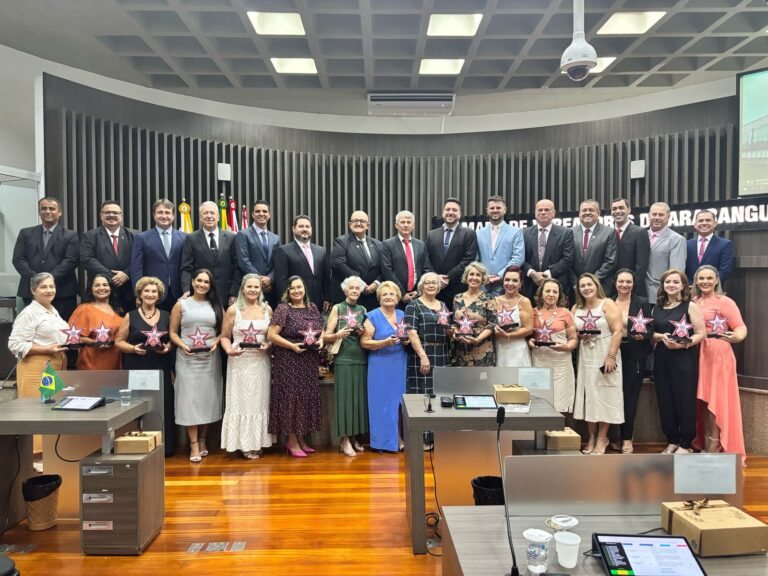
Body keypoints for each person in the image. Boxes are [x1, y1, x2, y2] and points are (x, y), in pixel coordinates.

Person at [8, 273, 68, 453]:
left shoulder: (52, 310)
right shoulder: (29, 313)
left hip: (53, 367)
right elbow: (15, 344)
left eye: (52, 286)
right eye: (43, 287)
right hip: (35, 367)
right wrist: (46, 349)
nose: (49, 290)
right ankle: (33, 459)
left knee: (50, 413)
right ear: (33, 291)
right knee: (35, 413)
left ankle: (47, 456)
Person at [115, 276, 176, 457]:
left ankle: (166, 446)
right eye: (146, 291)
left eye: (154, 292)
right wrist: (133, 349)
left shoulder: (167, 315)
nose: (150, 294)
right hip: (137, 367)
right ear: (140, 295)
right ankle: (138, 445)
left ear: (159, 296)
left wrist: (167, 348)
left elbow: (172, 340)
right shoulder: (130, 315)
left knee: (163, 404)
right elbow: (118, 342)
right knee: (139, 406)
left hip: (160, 366)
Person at [692, 265, 747, 463]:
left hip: (719, 354)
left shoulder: (726, 302)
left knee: (717, 399)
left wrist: (737, 337)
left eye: (709, 278)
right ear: (696, 281)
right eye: (701, 278)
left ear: (716, 280)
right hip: (699, 353)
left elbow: (740, 326)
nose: (705, 281)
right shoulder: (694, 301)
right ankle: (706, 438)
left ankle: (715, 441)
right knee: (704, 400)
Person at [169, 269, 223, 463]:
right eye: (199, 281)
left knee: (206, 399)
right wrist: (182, 345)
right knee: (189, 400)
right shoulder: (181, 305)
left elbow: (223, 332)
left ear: (211, 285)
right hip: (187, 358)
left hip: (209, 358)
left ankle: (202, 440)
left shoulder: (215, 305)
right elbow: (173, 332)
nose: (202, 285)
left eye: (206, 282)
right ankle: (193, 444)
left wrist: (217, 342)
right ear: (192, 282)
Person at [267, 276, 324, 457]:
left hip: (308, 361)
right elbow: (271, 335)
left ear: (304, 289)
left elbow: (321, 331)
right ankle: (291, 441)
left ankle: (300, 438)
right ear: (287, 292)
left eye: (299, 287)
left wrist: (321, 340)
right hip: (289, 360)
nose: (297, 291)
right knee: (290, 399)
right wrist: (292, 346)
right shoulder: (283, 309)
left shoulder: (312, 307)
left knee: (304, 398)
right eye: (292, 288)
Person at [651, 269, 705, 454]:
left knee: (684, 400)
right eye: (667, 282)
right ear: (663, 285)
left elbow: (700, 334)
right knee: (665, 400)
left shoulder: (690, 306)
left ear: (683, 285)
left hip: (684, 359)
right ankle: (672, 439)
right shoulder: (656, 308)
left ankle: (685, 443)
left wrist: (683, 346)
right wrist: (659, 336)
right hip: (662, 359)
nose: (671, 285)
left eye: (675, 282)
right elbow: (652, 334)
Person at [219, 274, 273, 459]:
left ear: (261, 290)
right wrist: (229, 351)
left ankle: (258, 441)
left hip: (260, 361)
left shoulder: (268, 309)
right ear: (242, 288)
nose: (252, 290)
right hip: (239, 361)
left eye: (256, 287)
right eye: (249, 286)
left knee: (259, 401)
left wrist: (269, 345)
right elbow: (225, 336)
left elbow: (271, 336)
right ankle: (242, 443)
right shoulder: (234, 310)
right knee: (242, 402)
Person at [572, 273, 624, 455]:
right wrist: (580, 336)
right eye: (582, 285)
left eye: (589, 284)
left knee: (605, 394)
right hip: (586, 354)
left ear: (596, 285)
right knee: (590, 395)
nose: (586, 288)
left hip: (605, 351)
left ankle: (603, 437)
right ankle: (591, 436)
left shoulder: (607, 303)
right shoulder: (576, 308)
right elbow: (573, 334)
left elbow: (618, 331)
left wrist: (610, 356)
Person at [12, 197, 79, 320]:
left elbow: (71, 260)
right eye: (44, 208)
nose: (48, 211)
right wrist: (36, 279)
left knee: (61, 332)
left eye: (52, 209)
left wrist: (48, 280)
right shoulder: (25, 233)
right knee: (31, 330)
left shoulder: (71, 235)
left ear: (59, 212)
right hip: (32, 292)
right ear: (39, 212)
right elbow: (18, 259)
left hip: (62, 293)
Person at [323, 276, 369, 457]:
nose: (355, 291)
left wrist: (362, 331)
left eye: (358, 288)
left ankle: (354, 437)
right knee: (345, 401)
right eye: (352, 288)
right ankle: (344, 440)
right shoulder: (338, 308)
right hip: (344, 359)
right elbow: (326, 336)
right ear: (345, 290)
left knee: (358, 401)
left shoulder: (363, 309)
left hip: (361, 358)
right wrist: (338, 334)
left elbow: (366, 333)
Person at [361, 281, 408, 453]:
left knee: (397, 404)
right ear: (379, 298)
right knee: (380, 404)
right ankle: (380, 443)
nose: (388, 297)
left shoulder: (403, 314)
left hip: (399, 363)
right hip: (379, 364)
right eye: (384, 294)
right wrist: (384, 342)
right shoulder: (372, 316)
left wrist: (407, 341)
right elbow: (365, 342)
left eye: (392, 294)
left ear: (397, 298)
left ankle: (398, 439)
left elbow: (408, 337)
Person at [612, 269, 653, 454]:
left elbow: (650, 330)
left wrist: (643, 336)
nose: (624, 285)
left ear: (633, 283)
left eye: (628, 282)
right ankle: (614, 436)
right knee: (612, 395)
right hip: (612, 352)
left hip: (634, 353)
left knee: (630, 396)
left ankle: (627, 438)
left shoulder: (642, 302)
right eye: (621, 281)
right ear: (615, 283)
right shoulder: (608, 302)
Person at [527, 279, 578, 414]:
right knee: (539, 400)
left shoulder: (566, 313)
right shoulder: (532, 312)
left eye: (555, 291)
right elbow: (528, 335)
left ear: (559, 295)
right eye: (548, 291)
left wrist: (566, 347)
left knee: (560, 402)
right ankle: (541, 434)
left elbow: (573, 339)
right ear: (541, 293)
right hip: (539, 361)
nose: (551, 294)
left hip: (561, 362)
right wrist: (530, 341)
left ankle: (557, 434)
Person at [130, 199, 186, 311]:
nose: (164, 216)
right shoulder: (142, 238)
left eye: (167, 212)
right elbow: (136, 268)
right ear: (154, 215)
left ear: (173, 216)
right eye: (160, 212)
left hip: (179, 294)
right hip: (152, 294)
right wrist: (138, 294)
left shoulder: (185, 237)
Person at [181, 200, 240, 307]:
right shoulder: (191, 238)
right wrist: (186, 290)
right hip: (200, 295)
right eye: (205, 213)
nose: (209, 216)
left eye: (212, 213)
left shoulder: (231, 237)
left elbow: (237, 267)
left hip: (227, 296)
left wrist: (234, 293)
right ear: (200, 218)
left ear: (218, 217)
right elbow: (186, 268)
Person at [79, 199, 136, 312]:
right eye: (107, 212)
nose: (111, 215)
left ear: (121, 216)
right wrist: (111, 276)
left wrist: (126, 274)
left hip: (128, 292)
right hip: (100, 291)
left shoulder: (135, 235)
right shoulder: (89, 236)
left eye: (115, 213)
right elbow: (87, 259)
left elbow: (140, 259)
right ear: (101, 215)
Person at [426, 198, 478, 309]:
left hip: (458, 289)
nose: (450, 212)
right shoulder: (432, 234)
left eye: (454, 210)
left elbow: (468, 259)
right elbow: (427, 259)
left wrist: (448, 277)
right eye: (447, 209)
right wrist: (436, 277)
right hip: (435, 289)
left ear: (460, 214)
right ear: (443, 213)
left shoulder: (469, 234)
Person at [405, 272, 450, 394]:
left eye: (434, 283)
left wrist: (454, 332)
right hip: (423, 354)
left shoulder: (443, 306)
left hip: (442, 354)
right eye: (427, 283)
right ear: (421, 286)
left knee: (442, 392)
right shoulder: (413, 305)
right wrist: (423, 357)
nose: (431, 285)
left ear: (438, 286)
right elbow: (411, 333)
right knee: (423, 393)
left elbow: (447, 329)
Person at [522, 199, 575, 304]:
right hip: (529, 286)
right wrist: (532, 273)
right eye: (540, 210)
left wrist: (547, 274)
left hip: (556, 285)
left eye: (547, 210)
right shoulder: (524, 233)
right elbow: (520, 258)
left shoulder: (566, 233)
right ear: (535, 213)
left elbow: (567, 259)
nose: (543, 212)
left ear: (554, 213)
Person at [273, 215, 330, 311]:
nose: (305, 229)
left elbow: (326, 278)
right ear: (293, 229)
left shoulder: (321, 251)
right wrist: (286, 303)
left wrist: (327, 298)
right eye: (301, 226)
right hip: (294, 305)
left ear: (311, 229)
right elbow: (280, 280)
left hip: (317, 305)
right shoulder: (283, 250)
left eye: (307, 227)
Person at [68, 273, 124, 370]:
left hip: (116, 360)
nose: (101, 288)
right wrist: (94, 342)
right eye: (97, 285)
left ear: (110, 288)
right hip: (92, 362)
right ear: (91, 289)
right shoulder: (84, 309)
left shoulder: (118, 310)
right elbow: (74, 338)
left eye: (105, 285)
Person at [330, 211, 383, 311]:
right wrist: (360, 283)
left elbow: (384, 267)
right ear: (350, 225)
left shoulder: (378, 244)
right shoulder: (341, 241)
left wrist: (376, 283)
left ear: (368, 225)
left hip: (373, 299)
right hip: (350, 298)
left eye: (362, 221)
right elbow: (338, 264)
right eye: (355, 221)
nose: (358, 223)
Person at [380, 210, 432, 305]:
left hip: (417, 295)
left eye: (409, 222)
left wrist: (419, 290)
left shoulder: (421, 245)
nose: (406, 225)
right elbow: (387, 270)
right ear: (396, 225)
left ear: (413, 225)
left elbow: (426, 269)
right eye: (402, 222)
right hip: (396, 295)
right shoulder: (387, 244)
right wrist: (402, 293)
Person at [235, 200, 281, 307]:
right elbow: (243, 260)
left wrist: (270, 279)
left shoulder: (276, 238)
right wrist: (258, 280)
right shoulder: (243, 235)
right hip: (251, 288)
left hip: (270, 290)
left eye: (265, 211)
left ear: (269, 215)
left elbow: (278, 262)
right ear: (252, 214)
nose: (261, 214)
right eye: (258, 211)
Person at [476, 196, 524, 294]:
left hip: (505, 287)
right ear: (487, 210)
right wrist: (483, 276)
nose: (495, 210)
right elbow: (475, 258)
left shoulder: (516, 232)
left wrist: (500, 275)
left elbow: (518, 258)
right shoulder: (478, 233)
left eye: (498, 208)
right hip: (482, 286)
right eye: (492, 208)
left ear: (505, 210)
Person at [451, 262, 496, 367]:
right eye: (471, 274)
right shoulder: (457, 298)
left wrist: (477, 340)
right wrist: (456, 334)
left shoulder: (488, 298)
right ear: (466, 277)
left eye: (478, 275)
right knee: (462, 382)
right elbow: (454, 323)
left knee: (482, 383)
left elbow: (492, 324)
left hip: (482, 348)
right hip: (461, 350)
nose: (474, 278)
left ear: (483, 279)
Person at [605, 198, 650, 298]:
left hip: (631, 290)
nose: (617, 211)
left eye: (621, 208)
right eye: (614, 209)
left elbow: (641, 266)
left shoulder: (640, 232)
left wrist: (632, 286)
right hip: (610, 291)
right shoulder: (607, 233)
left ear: (629, 210)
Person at [645, 202, 686, 304]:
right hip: (639, 294)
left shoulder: (677, 239)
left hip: (662, 296)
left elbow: (676, 272)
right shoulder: (641, 235)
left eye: (661, 214)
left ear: (668, 217)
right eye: (654, 214)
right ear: (649, 216)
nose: (657, 217)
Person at [571, 199, 617, 288]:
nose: (587, 212)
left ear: (598, 213)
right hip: (575, 287)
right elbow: (567, 260)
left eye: (591, 210)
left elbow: (610, 261)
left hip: (600, 286)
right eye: (584, 210)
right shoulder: (570, 232)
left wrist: (592, 282)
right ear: (579, 213)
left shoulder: (609, 232)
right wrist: (576, 282)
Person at [494, 266, 533, 367]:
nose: (510, 283)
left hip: (518, 349)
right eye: (507, 280)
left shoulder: (525, 301)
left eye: (515, 280)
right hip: (499, 347)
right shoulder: (494, 301)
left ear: (521, 283)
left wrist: (509, 336)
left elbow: (528, 329)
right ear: (503, 281)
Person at [685, 209, 734, 287]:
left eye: (708, 220)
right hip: (690, 290)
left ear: (715, 223)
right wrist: (692, 285)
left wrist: (707, 284)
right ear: (695, 224)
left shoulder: (725, 244)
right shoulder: (686, 244)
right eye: (701, 221)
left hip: (714, 290)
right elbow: (682, 268)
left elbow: (725, 271)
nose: (704, 223)